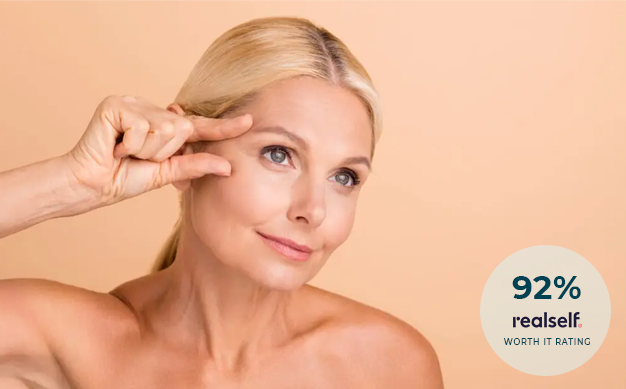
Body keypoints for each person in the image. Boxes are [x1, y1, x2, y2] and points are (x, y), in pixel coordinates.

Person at [0, 16, 444, 388]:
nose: (313, 209)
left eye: (344, 177)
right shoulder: (74, 341)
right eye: (279, 154)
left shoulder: (388, 364)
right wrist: (72, 182)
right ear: (189, 147)